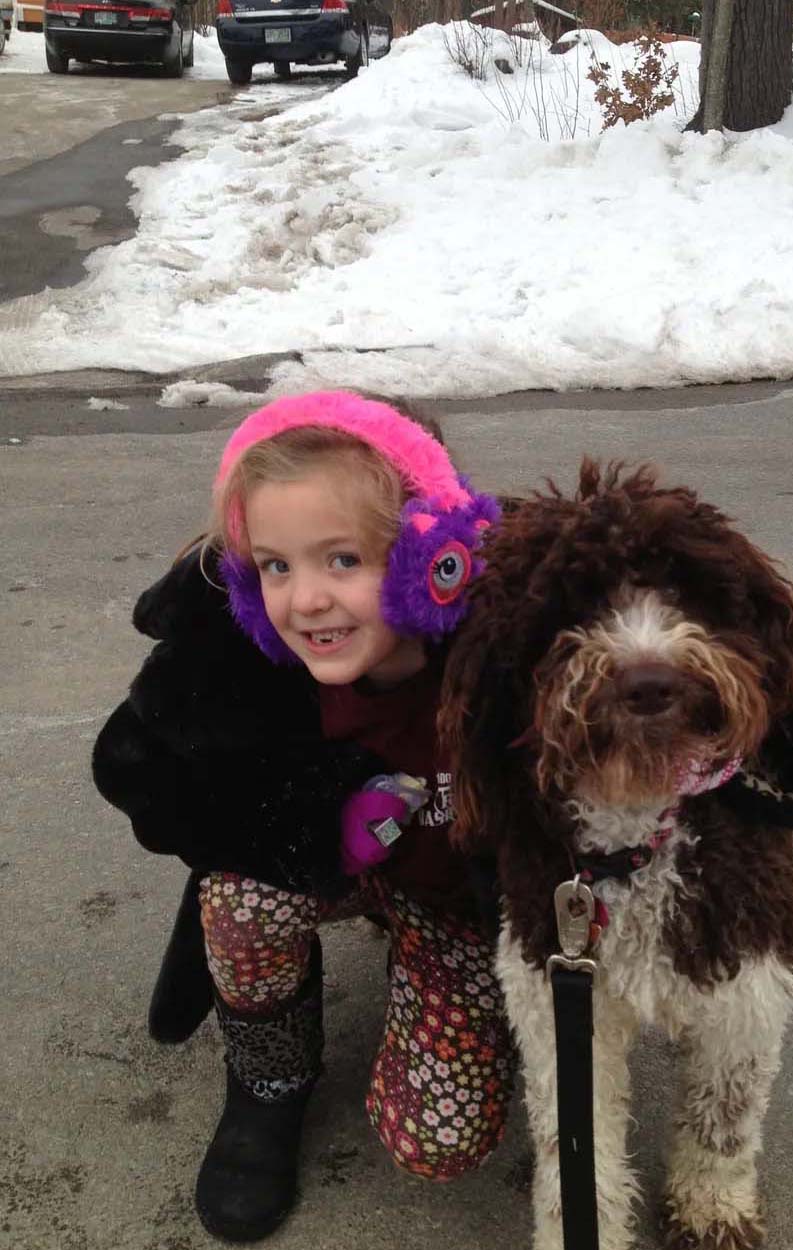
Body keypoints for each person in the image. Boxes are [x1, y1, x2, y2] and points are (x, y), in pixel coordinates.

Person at [92, 392, 512, 1243]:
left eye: (344, 559)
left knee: (435, 1141)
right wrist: (298, 816)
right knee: (241, 900)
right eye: (277, 567)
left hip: (457, 900)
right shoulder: (254, 653)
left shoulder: (508, 644)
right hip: (333, 860)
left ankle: (435, 977)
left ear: (434, 556)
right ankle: (269, 1080)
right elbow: (137, 768)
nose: (306, 601)